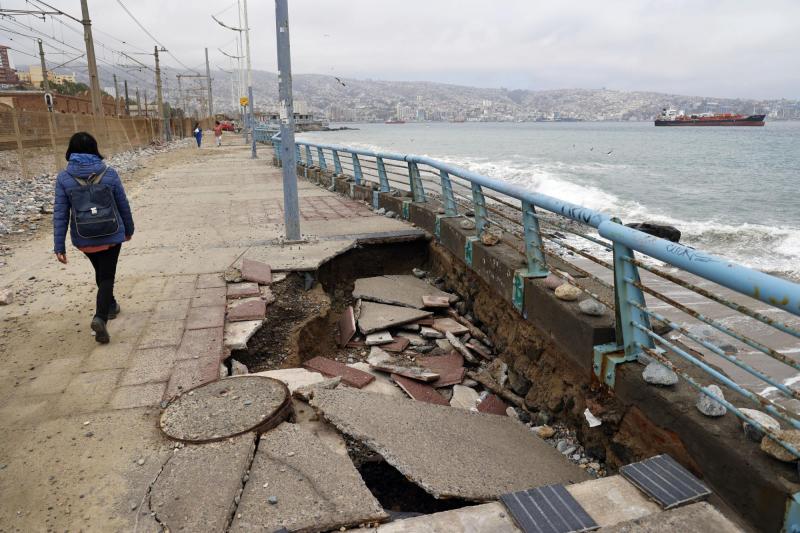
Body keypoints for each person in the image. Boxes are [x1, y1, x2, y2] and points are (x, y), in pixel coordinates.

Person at [53, 132, 134, 344]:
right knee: (106, 276)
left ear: (71, 151)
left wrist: (59, 245)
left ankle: (110, 304)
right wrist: (129, 229)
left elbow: (60, 214)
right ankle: (100, 317)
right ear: (94, 149)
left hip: (84, 238)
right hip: (111, 233)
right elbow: (122, 204)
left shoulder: (63, 178)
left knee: (100, 271)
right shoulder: (109, 174)